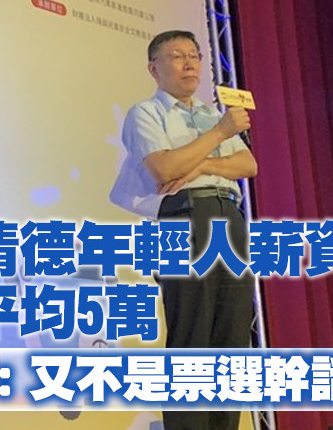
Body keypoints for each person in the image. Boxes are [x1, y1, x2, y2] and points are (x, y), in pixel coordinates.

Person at [110, 30, 257, 430]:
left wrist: (202, 164)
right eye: (177, 56)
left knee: (231, 338)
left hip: (228, 217)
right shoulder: (146, 113)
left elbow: (248, 166)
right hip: (182, 219)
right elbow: (165, 168)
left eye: (194, 55)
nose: (189, 63)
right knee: (192, 335)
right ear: (153, 68)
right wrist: (219, 136)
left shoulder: (210, 113)